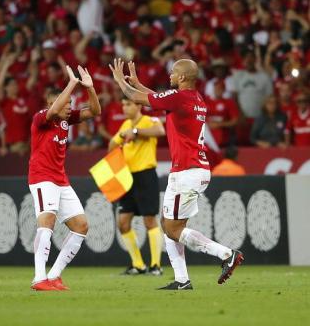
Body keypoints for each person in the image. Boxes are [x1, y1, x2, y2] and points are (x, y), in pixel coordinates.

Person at [110, 58, 244, 290]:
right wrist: (139, 83)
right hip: (191, 169)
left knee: (172, 229)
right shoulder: (194, 99)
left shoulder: (179, 98)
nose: (170, 76)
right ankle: (182, 280)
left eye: (173, 73)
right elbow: (157, 99)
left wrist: (121, 81)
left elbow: (137, 99)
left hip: (187, 171)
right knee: (169, 225)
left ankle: (226, 254)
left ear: (182, 77)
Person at [29, 65, 101, 291]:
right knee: (47, 221)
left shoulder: (65, 121)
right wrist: (71, 83)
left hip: (60, 179)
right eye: (66, 103)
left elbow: (95, 112)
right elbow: (52, 112)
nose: (70, 108)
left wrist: (89, 88)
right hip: (42, 177)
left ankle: (54, 275)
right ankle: (39, 278)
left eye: (71, 104)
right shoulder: (41, 118)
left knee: (81, 225)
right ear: (52, 104)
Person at [108, 91, 165, 276]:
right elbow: (111, 146)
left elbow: (160, 131)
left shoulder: (150, 120)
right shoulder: (124, 124)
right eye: (123, 105)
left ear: (139, 106)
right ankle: (138, 264)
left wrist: (136, 132)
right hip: (127, 177)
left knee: (149, 219)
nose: (125, 108)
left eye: (129, 104)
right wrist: (121, 138)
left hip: (145, 175)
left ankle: (156, 265)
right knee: (123, 222)